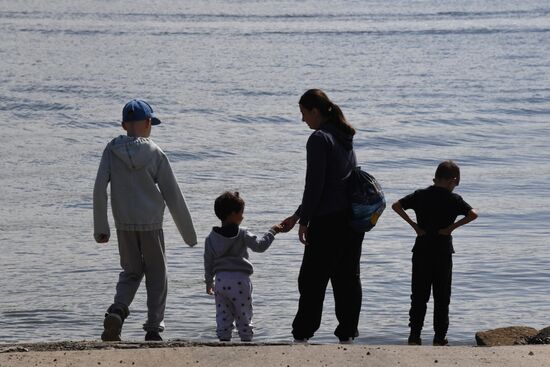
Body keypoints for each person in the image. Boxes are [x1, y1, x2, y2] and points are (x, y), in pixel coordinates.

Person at [93, 99, 197, 342]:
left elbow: (99, 189)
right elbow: (173, 194)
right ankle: (153, 328)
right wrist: (189, 235)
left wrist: (101, 227)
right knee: (157, 275)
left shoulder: (111, 150)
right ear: (149, 123)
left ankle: (118, 309)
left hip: (123, 225)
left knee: (131, 271)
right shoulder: (155, 152)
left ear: (123, 125)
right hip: (151, 224)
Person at [279, 89, 365, 344]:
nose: (303, 119)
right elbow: (332, 184)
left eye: (304, 113)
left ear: (315, 111)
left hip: (327, 220)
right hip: (351, 220)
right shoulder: (344, 136)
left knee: (311, 280)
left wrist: (304, 221)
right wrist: (298, 215)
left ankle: (302, 334)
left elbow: (315, 185)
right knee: (347, 278)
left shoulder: (319, 139)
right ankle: (347, 333)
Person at [392, 160, 478, 346]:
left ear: (435, 178)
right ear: (452, 180)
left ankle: (414, 336)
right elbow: (473, 214)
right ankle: (439, 338)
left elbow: (396, 206)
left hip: (421, 249)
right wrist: (451, 228)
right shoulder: (454, 199)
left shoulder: (420, 195)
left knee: (418, 295)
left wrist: (415, 226)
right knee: (442, 296)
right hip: (442, 251)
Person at [204, 191, 282, 342]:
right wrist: (273, 231)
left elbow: (208, 262)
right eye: (241, 213)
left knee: (223, 315)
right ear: (233, 214)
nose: (243, 216)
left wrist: (209, 282)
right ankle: (246, 341)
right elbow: (260, 246)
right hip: (240, 281)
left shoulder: (211, 238)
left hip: (220, 282)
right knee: (244, 314)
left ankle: (223, 341)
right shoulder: (243, 233)